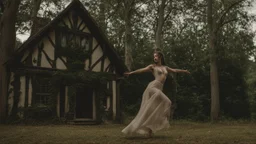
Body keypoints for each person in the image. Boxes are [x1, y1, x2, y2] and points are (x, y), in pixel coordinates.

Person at [121, 50, 190, 138]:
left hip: (159, 88)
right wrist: (131, 73)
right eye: (154, 56)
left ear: (160, 57)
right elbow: (142, 70)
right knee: (166, 101)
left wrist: (184, 71)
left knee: (156, 108)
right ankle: (162, 119)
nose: (154, 58)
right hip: (153, 87)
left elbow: (175, 70)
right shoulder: (152, 67)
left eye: (156, 56)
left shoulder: (165, 67)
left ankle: (149, 131)